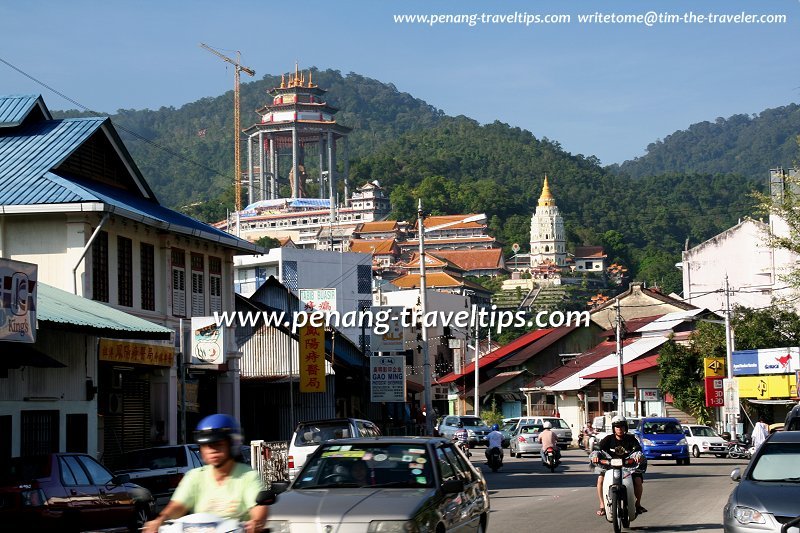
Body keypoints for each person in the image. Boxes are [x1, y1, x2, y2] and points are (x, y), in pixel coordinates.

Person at [143, 414, 267, 533]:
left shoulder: (248, 476)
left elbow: (258, 506)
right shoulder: (194, 477)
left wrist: (256, 522)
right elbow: (178, 505)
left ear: (232, 444)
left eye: (218, 444)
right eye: (206, 445)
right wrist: (160, 520)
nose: (212, 450)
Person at [591, 415, 646, 517]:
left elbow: (638, 450)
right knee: (600, 480)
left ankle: (638, 504)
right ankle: (602, 505)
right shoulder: (608, 439)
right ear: (613, 428)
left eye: (622, 426)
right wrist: (595, 456)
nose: (619, 429)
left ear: (625, 427)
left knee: (638, 480)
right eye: (617, 427)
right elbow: (597, 449)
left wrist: (638, 456)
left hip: (628, 466)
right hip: (609, 466)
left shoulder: (631, 439)